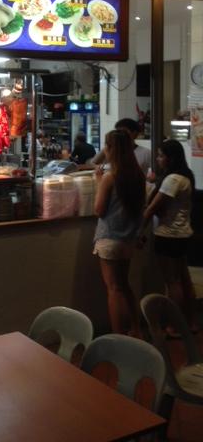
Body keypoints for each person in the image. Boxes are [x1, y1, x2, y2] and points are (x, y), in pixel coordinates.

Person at [93, 129, 146, 336]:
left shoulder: (110, 177)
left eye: (107, 145)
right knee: (125, 285)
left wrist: (99, 183)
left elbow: (99, 210)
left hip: (109, 238)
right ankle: (136, 329)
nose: (105, 149)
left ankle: (118, 336)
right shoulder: (138, 175)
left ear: (112, 149)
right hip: (128, 239)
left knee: (113, 289)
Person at [142, 139, 198, 333]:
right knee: (184, 280)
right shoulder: (185, 176)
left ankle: (175, 326)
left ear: (170, 158)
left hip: (168, 235)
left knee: (172, 282)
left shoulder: (172, 180)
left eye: (160, 156)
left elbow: (152, 208)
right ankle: (191, 322)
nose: (158, 159)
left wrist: (138, 233)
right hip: (182, 234)